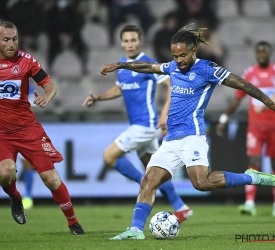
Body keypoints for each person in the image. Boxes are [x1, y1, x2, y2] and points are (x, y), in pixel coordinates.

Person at [100, 23, 275, 240]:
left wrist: (268, 101)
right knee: (148, 181)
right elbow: (149, 67)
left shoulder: (207, 69)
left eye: (183, 55)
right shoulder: (173, 67)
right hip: (171, 139)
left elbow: (243, 84)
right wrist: (121, 65)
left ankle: (250, 177)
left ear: (194, 51)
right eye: (175, 56)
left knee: (201, 183)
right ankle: (135, 230)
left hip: (193, 136)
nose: (179, 60)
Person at [0, 21, 84, 235]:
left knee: (50, 178)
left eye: (14, 39)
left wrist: (46, 96)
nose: (11, 44)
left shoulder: (26, 61)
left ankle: (73, 222)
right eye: (6, 40)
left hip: (27, 129)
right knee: (5, 173)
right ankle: (15, 197)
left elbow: (50, 85)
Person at [82, 24, 192, 223]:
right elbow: (118, 90)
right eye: (126, 40)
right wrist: (97, 97)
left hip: (146, 125)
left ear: (140, 41)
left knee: (109, 156)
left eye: (133, 40)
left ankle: (144, 185)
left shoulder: (148, 64)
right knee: (155, 170)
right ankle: (181, 207)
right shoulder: (122, 65)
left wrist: (165, 113)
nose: (130, 44)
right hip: (140, 126)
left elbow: (171, 84)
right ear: (121, 42)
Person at [216, 41, 275, 216]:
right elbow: (237, 98)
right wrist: (224, 118)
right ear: (256, 54)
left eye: (264, 52)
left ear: (269, 53)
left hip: (274, 127)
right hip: (256, 128)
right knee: (254, 162)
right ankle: (249, 203)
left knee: (274, 164)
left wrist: (265, 105)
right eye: (259, 52)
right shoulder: (250, 73)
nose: (262, 54)